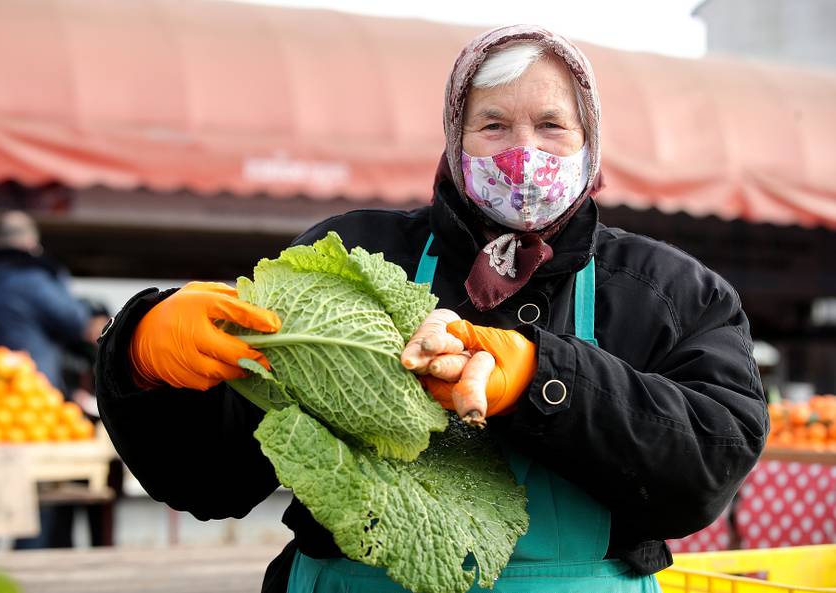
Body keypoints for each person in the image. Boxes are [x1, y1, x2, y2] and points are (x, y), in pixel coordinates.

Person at [95, 25, 768, 592]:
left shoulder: (668, 290)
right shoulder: (354, 256)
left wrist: (541, 382)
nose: (523, 153)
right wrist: (138, 356)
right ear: (454, 136)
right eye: (493, 125)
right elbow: (209, 478)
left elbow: (711, 463)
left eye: (551, 126)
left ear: (590, 141)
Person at [0, 210, 96, 551]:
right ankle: (26, 569)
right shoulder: (33, 279)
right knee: (36, 508)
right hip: (30, 411)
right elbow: (76, 321)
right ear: (32, 245)